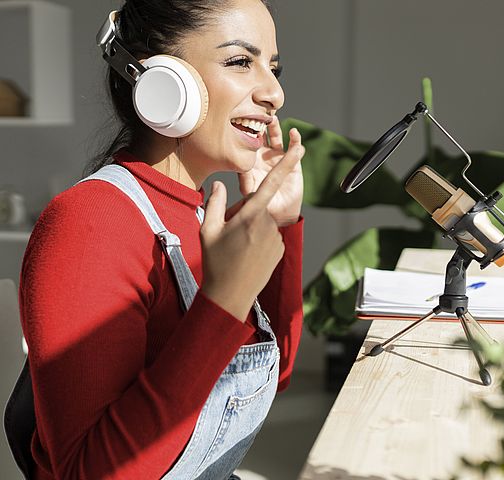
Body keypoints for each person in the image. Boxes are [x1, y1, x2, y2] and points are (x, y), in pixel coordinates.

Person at [18, 0, 305, 478]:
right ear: (163, 81)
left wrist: (278, 222)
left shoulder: (198, 212)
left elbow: (270, 377)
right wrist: (224, 301)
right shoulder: (90, 224)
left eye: (273, 68)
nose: (274, 92)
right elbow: (89, 472)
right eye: (240, 61)